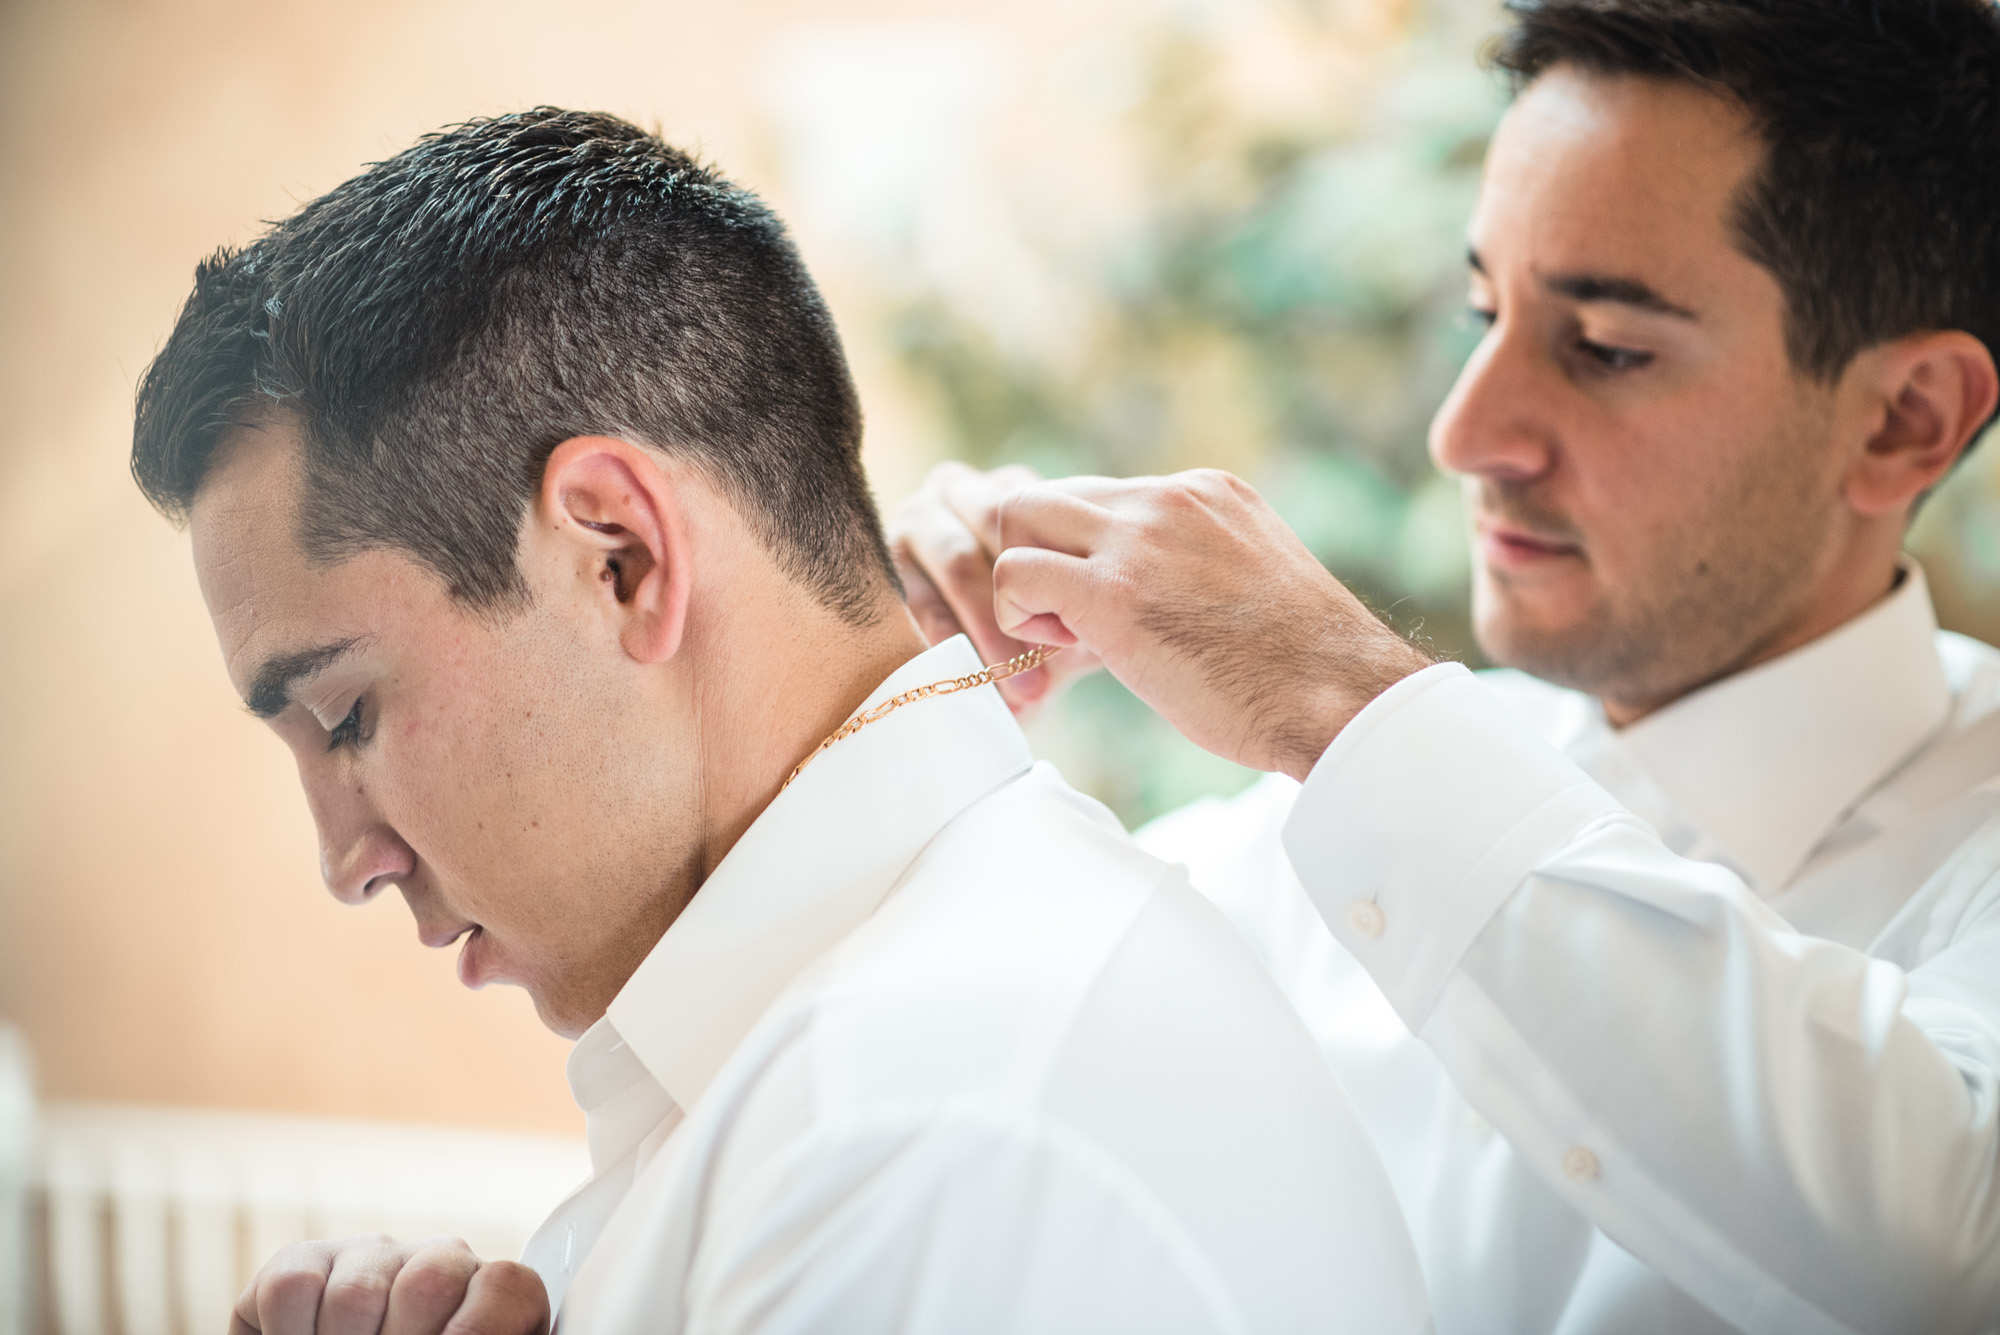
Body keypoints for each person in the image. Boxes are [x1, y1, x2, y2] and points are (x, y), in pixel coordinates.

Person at [129, 111, 1430, 1334]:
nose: (346, 860)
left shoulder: (914, 1133)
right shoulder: (860, 1040)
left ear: (618, 555)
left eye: (346, 714)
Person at [892, 2, 2000, 1332]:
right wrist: (884, 707)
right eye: (1484, 309)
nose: (1467, 431)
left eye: (1606, 348)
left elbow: (1943, 1247)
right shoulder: (1297, 855)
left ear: (1904, 419)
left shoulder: (1379, 777)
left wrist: (1335, 697)